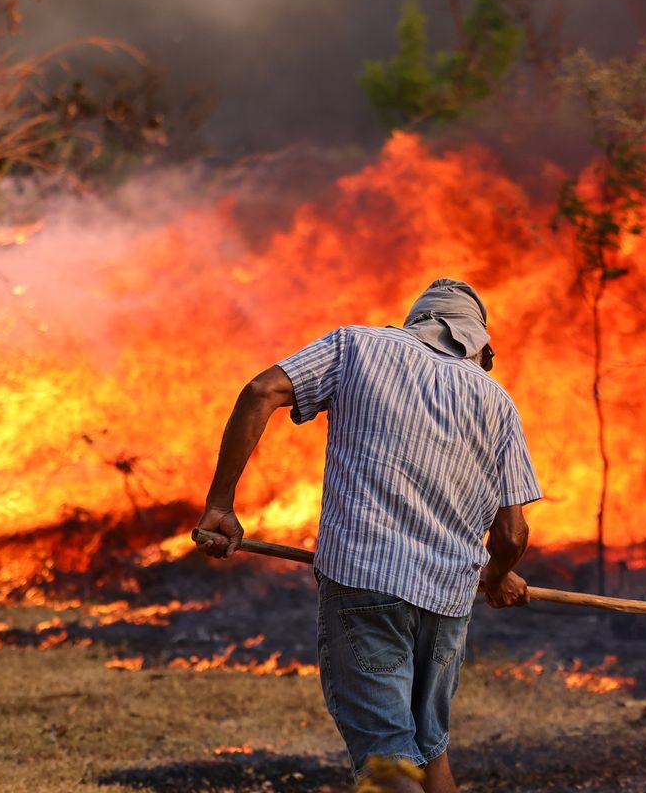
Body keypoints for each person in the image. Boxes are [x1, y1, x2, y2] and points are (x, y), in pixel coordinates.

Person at [192, 278, 541, 793]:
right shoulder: (498, 403)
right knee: (430, 750)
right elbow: (512, 532)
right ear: (480, 345)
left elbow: (261, 391)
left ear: (417, 323)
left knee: (388, 757)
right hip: (447, 601)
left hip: (366, 580)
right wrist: (498, 574)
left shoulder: (357, 346)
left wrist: (220, 506)